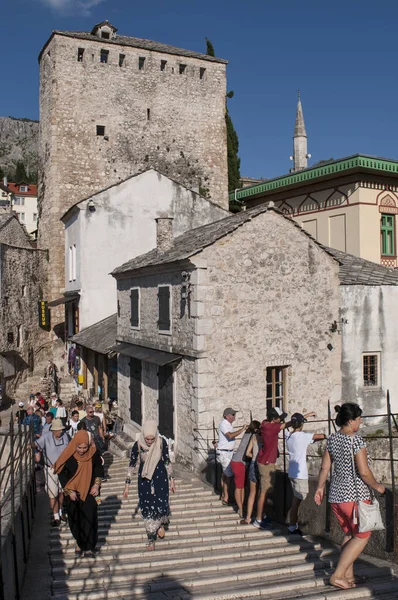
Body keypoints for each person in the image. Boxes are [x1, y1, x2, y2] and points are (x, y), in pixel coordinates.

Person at [315, 403, 385, 590]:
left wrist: (320, 487)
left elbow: (324, 468)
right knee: (362, 535)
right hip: (354, 496)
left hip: (337, 496)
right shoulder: (357, 441)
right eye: (359, 418)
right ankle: (337, 575)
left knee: (350, 534)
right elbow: (364, 472)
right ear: (350, 420)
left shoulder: (332, 439)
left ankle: (348, 576)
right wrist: (378, 486)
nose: (361, 421)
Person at [254, 407, 315, 529]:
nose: (281, 420)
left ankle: (262, 516)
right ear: (274, 419)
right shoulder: (271, 427)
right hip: (267, 463)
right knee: (264, 492)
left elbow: (290, 424)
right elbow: (291, 423)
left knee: (264, 491)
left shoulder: (265, 424)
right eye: (279, 418)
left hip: (263, 461)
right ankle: (258, 519)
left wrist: (304, 416)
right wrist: (305, 416)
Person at [123, 420, 176, 551]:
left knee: (161, 504)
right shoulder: (138, 445)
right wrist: (127, 485)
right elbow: (132, 464)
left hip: (160, 478)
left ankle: (160, 524)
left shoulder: (161, 443)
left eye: (152, 439)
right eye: (147, 439)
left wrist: (172, 480)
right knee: (147, 507)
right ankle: (151, 540)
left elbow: (167, 461)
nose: (150, 442)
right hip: (145, 480)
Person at [54, 429, 103, 555]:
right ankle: (79, 543)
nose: (82, 450)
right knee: (75, 519)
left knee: (90, 518)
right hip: (72, 493)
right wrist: (69, 491)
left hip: (90, 491)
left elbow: (98, 469)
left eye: (84, 447)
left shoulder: (93, 454)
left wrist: (96, 485)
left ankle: (91, 545)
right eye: (79, 447)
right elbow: (61, 473)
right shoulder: (69, 455)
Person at [285, 412, 326, 535]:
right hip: (300, 473)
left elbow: (288, 426)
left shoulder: (288, 435)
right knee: (297, 500)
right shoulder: (302, 436)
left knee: (296, 499)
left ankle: (293, 524)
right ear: (301, 424)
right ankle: (292, 526)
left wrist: (306, 416)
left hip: (291, 471)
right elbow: (321, 435)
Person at [35, 418, 70, 526]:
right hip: (51, 469)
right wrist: (30, 446)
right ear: (54, 430)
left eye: (61, 429)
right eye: (59, 430)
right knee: (52, 493)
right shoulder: (46, 437)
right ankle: (55, 516)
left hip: (63, 469)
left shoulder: (66, 436)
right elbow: (36, 445)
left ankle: (60, 512)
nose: (60, 431)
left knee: (61, 492)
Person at [217, 408, 247, 506]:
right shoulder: (224, 424)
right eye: (233, 414)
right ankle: (226, 497)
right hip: (225, 453)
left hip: (228, 452)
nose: (235, 416)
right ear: (227, 416)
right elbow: (230, 436)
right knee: (228, 476)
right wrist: (242, 429)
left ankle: (224, 495)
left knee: (225, 474)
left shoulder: (228, 424)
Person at [230, 420, 260, 519]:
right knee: (239, 487)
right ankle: (240, 509)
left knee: (241, 487)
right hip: (239, 462)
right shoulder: (253, 436)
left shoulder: (247, 433)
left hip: (238, 461)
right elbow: (248, 453)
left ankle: (241, 507)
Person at [240, 422, 263, 525]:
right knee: (262, 493)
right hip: (262, 464)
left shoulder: (254, 436)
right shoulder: (265, 437)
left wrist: (254, 456)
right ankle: (260, 516)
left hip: (253, 464)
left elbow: (247, 453)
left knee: (252, 493)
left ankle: (248, 518)